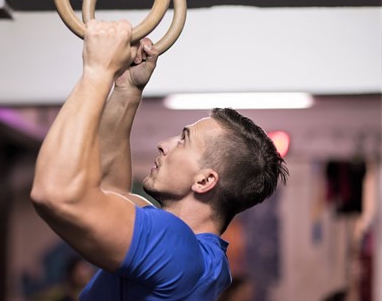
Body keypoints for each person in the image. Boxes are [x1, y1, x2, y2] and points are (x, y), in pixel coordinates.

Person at [30, 19, 288, 300]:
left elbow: (54, 193)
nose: (164, 145)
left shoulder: (175, 247)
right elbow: (110, 195)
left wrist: (97, 71)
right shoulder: (203, 259)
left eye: (183, 140)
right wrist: (127, 90)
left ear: (205, 180)